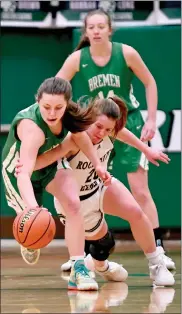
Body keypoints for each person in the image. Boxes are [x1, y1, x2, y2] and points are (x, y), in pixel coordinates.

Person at [55, 9, 175, 270]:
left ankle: (158, 249)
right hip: (97, 126)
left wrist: (152, 119)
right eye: (91, 27)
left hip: (126, 121)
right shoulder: (78, 58)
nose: (96, 31)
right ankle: (84, 254)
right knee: (92, 188)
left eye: (101, 26)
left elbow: (150, 82)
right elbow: (56, 87)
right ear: (85, 31)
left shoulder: (126, 53)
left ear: (110, 30)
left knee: (140, 191)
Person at [19, 96, 174, 287]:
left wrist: (146, 150)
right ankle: (99, 266)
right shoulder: (74, 138)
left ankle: (157, 263)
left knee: (136, 213)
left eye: (108, 130)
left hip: (98, 187)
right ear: (89, 118)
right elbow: (50, 157)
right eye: (98, 126)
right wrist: (26, 166)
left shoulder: (109, 131)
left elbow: (123, 133)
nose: (102, 133)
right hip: (75, 202)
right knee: (104, 244)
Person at [2, 77, 113, 291]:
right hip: (19, 171)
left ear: (67, 104)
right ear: (38, 101)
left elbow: (80, 137)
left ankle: (78, 268)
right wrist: (33, 210)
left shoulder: (68, 114)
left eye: (58, 107)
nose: (52, 113)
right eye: (46, 107)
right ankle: (29, 241)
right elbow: (23, 173)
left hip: (50, 163)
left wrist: (98, 164)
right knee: (31, 229)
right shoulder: (32, 129)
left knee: (73, 204)